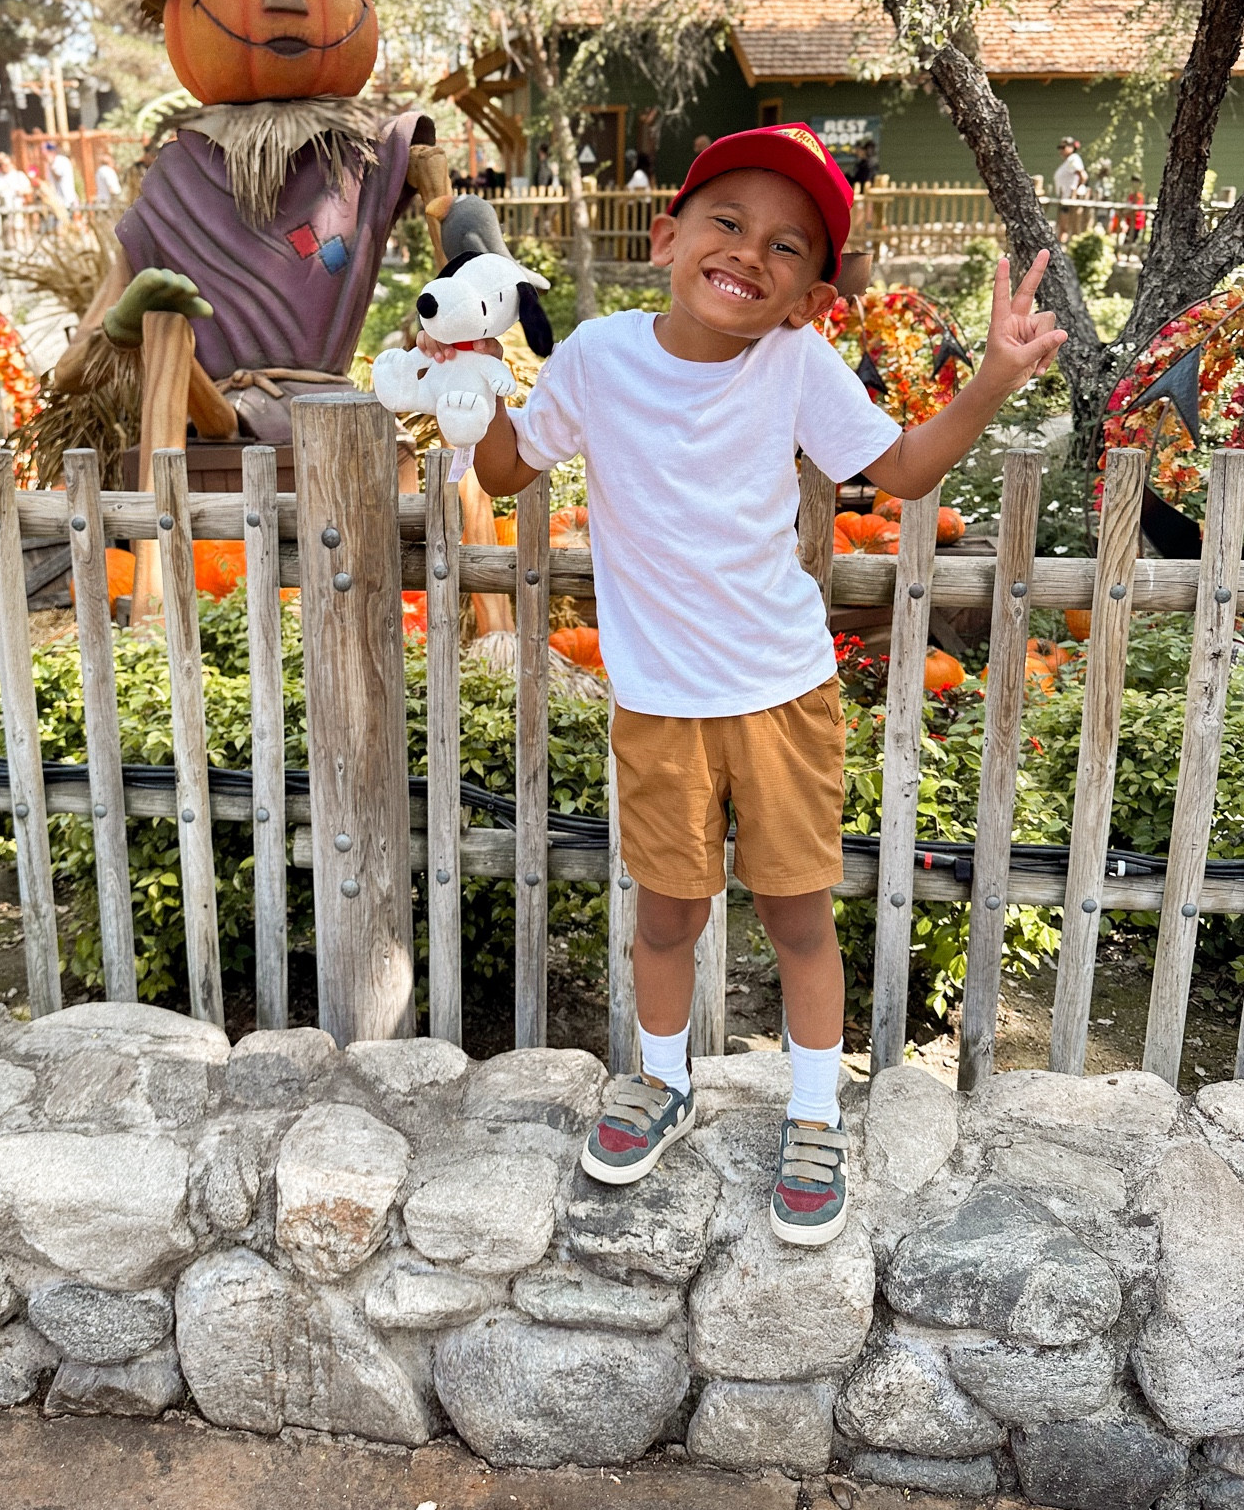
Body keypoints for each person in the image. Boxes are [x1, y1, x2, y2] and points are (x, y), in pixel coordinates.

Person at [428, 125, 1064, 1244]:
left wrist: (999, 375)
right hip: (658, 702)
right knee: (667, 913)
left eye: (786, 246)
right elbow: (506, 468)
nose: (750, 253)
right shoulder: (595, 357)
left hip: (781, 692)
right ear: (669, 236)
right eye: (729, 222)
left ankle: (815, 1109)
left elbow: (904, 471)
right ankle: (662, 1078)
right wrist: (466, 381)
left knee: (796, 916)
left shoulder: (797, 366)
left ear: (810, 298)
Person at [1053, 137, 1086, 239]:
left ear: (1071, 147)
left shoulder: (1074, 159)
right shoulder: (1068, 161)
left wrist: (1075, 190)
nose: (1061, 150)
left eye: (1063, 147)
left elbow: (1083, 176)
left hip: (1071, 198)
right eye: (1059, 147)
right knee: (1063, 225)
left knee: (1068, 226)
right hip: (1065, 198)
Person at [44, 138, 78, 208]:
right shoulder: (50, 163)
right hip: (58, 199)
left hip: (66, 198)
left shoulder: (61, 161)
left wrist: (51, 166)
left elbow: (58, 177)